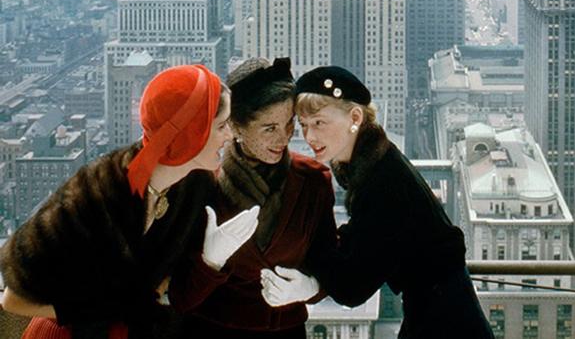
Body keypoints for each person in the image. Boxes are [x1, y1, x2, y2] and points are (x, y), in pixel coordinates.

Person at [0, 63, 259, 339]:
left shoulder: (196, 188)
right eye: (221, 126)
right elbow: (13, 299)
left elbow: (178, 294)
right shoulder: (96, 195)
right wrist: (110, 306)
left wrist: (211, 263)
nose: (230, 135)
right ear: (190, 134)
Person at [259, 65, 494, 339]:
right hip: (444, 311)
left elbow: (352, 289)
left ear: (355, 117)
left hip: (445, 323)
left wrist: (308, 246)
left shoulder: (382, 183)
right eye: (304, 125)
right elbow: (365, 240)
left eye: (319, 123)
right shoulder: (376, 163)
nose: (310, 137)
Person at [170, 57, 337, 339]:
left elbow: (329, 266)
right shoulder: (202, 184)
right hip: (210, 331)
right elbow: (180, 297)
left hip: (287, 331)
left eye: (289, 124)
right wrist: (210, 263)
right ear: (236, 127)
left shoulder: (314, 181)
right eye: (269, 128)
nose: (283, 138)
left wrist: (311, 286)